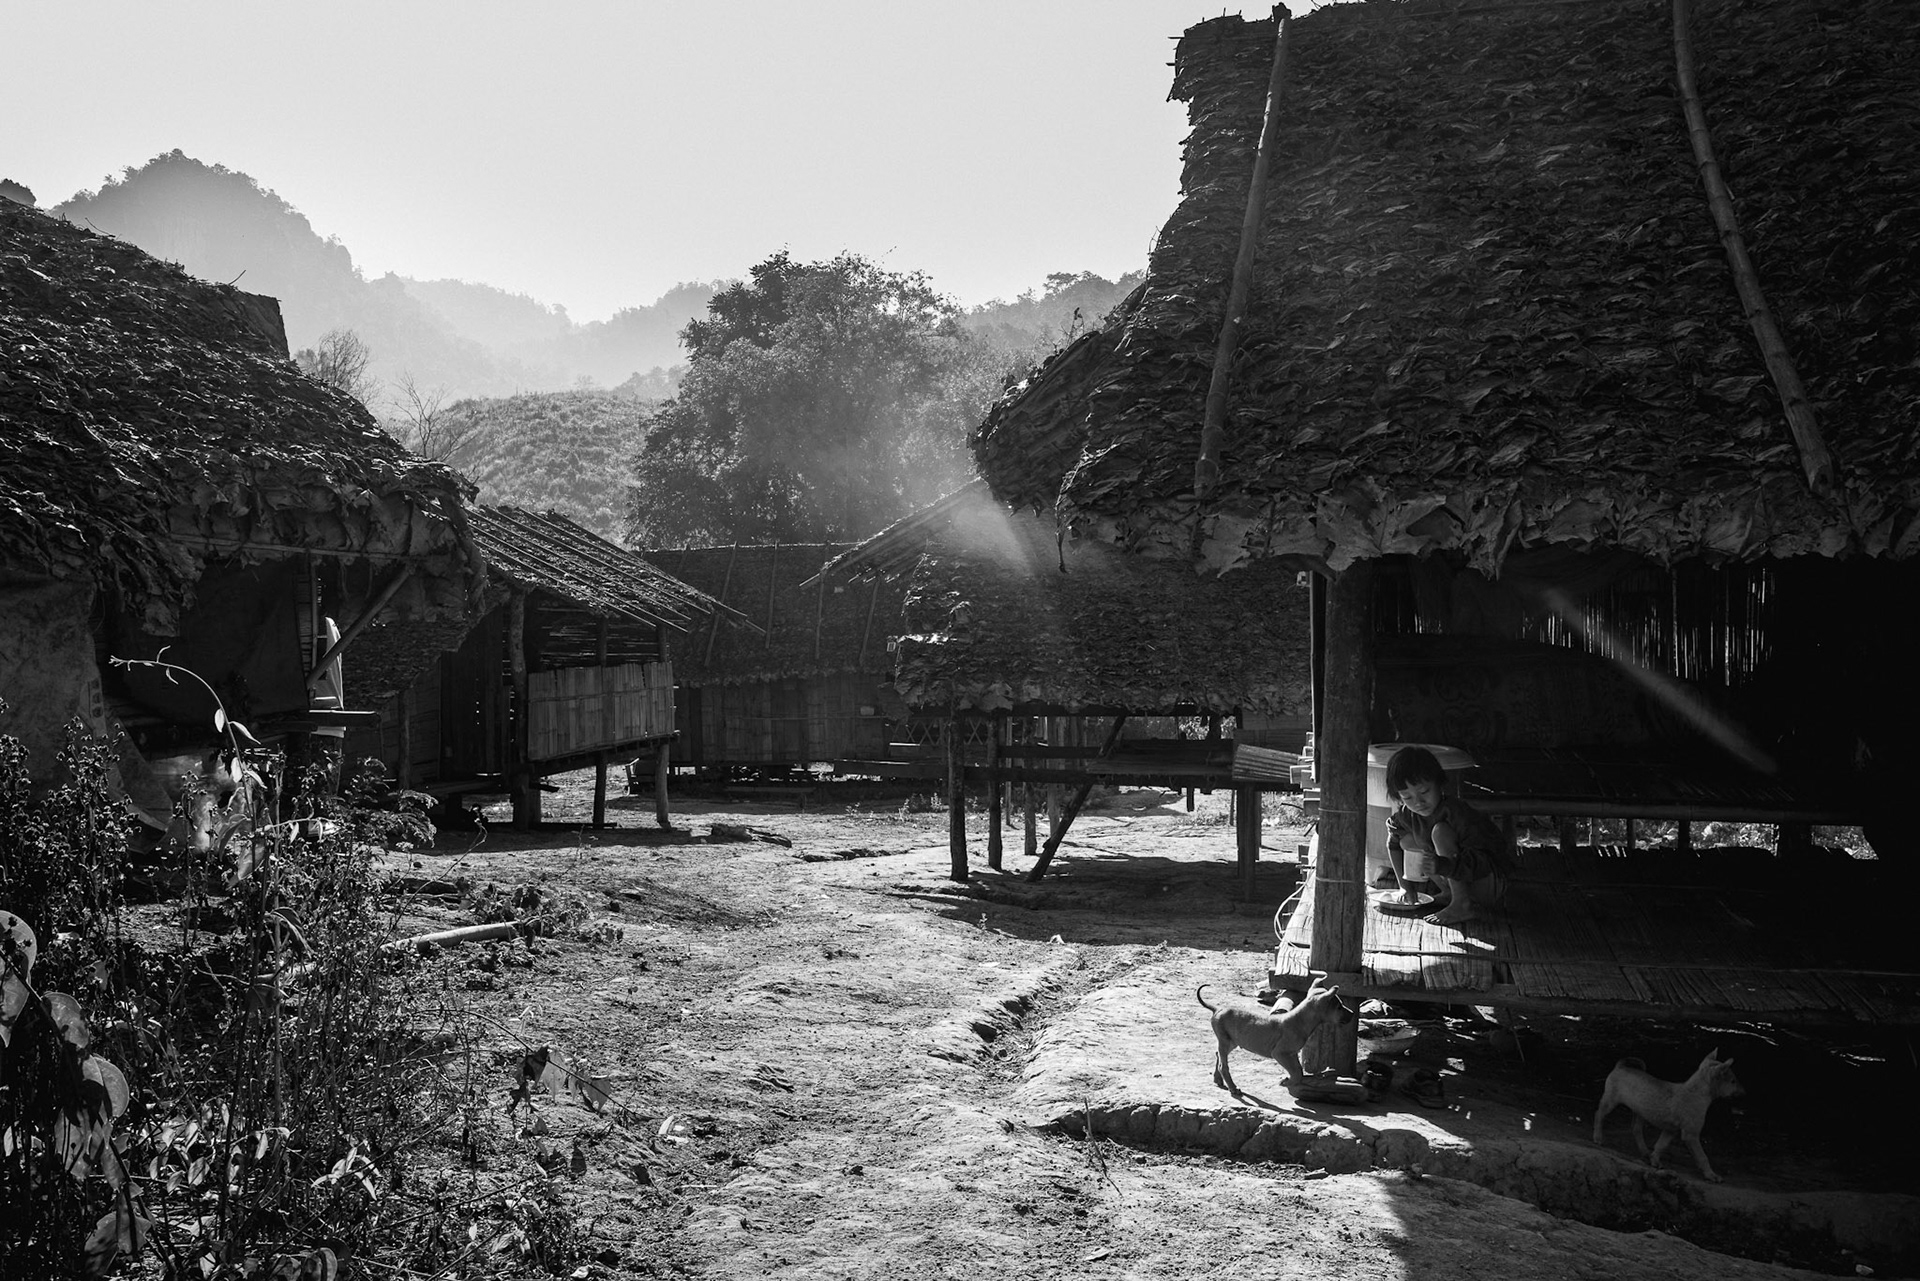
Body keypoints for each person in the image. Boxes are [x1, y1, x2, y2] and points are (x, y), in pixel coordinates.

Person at [1384, 745, 1512, 925]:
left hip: (1490, 882)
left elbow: (1485, 860)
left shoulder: (1457, 813)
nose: (1418, 802)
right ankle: (1451, 894)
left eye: (1424, 792)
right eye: (1407, 797)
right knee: (1407, 839)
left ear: (1440, 783)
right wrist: (1404, 886)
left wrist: (1444, 865)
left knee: (1440, 832)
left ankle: (1462, 904)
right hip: (1457, 875)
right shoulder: (1407, 815)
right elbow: (1394, 842)